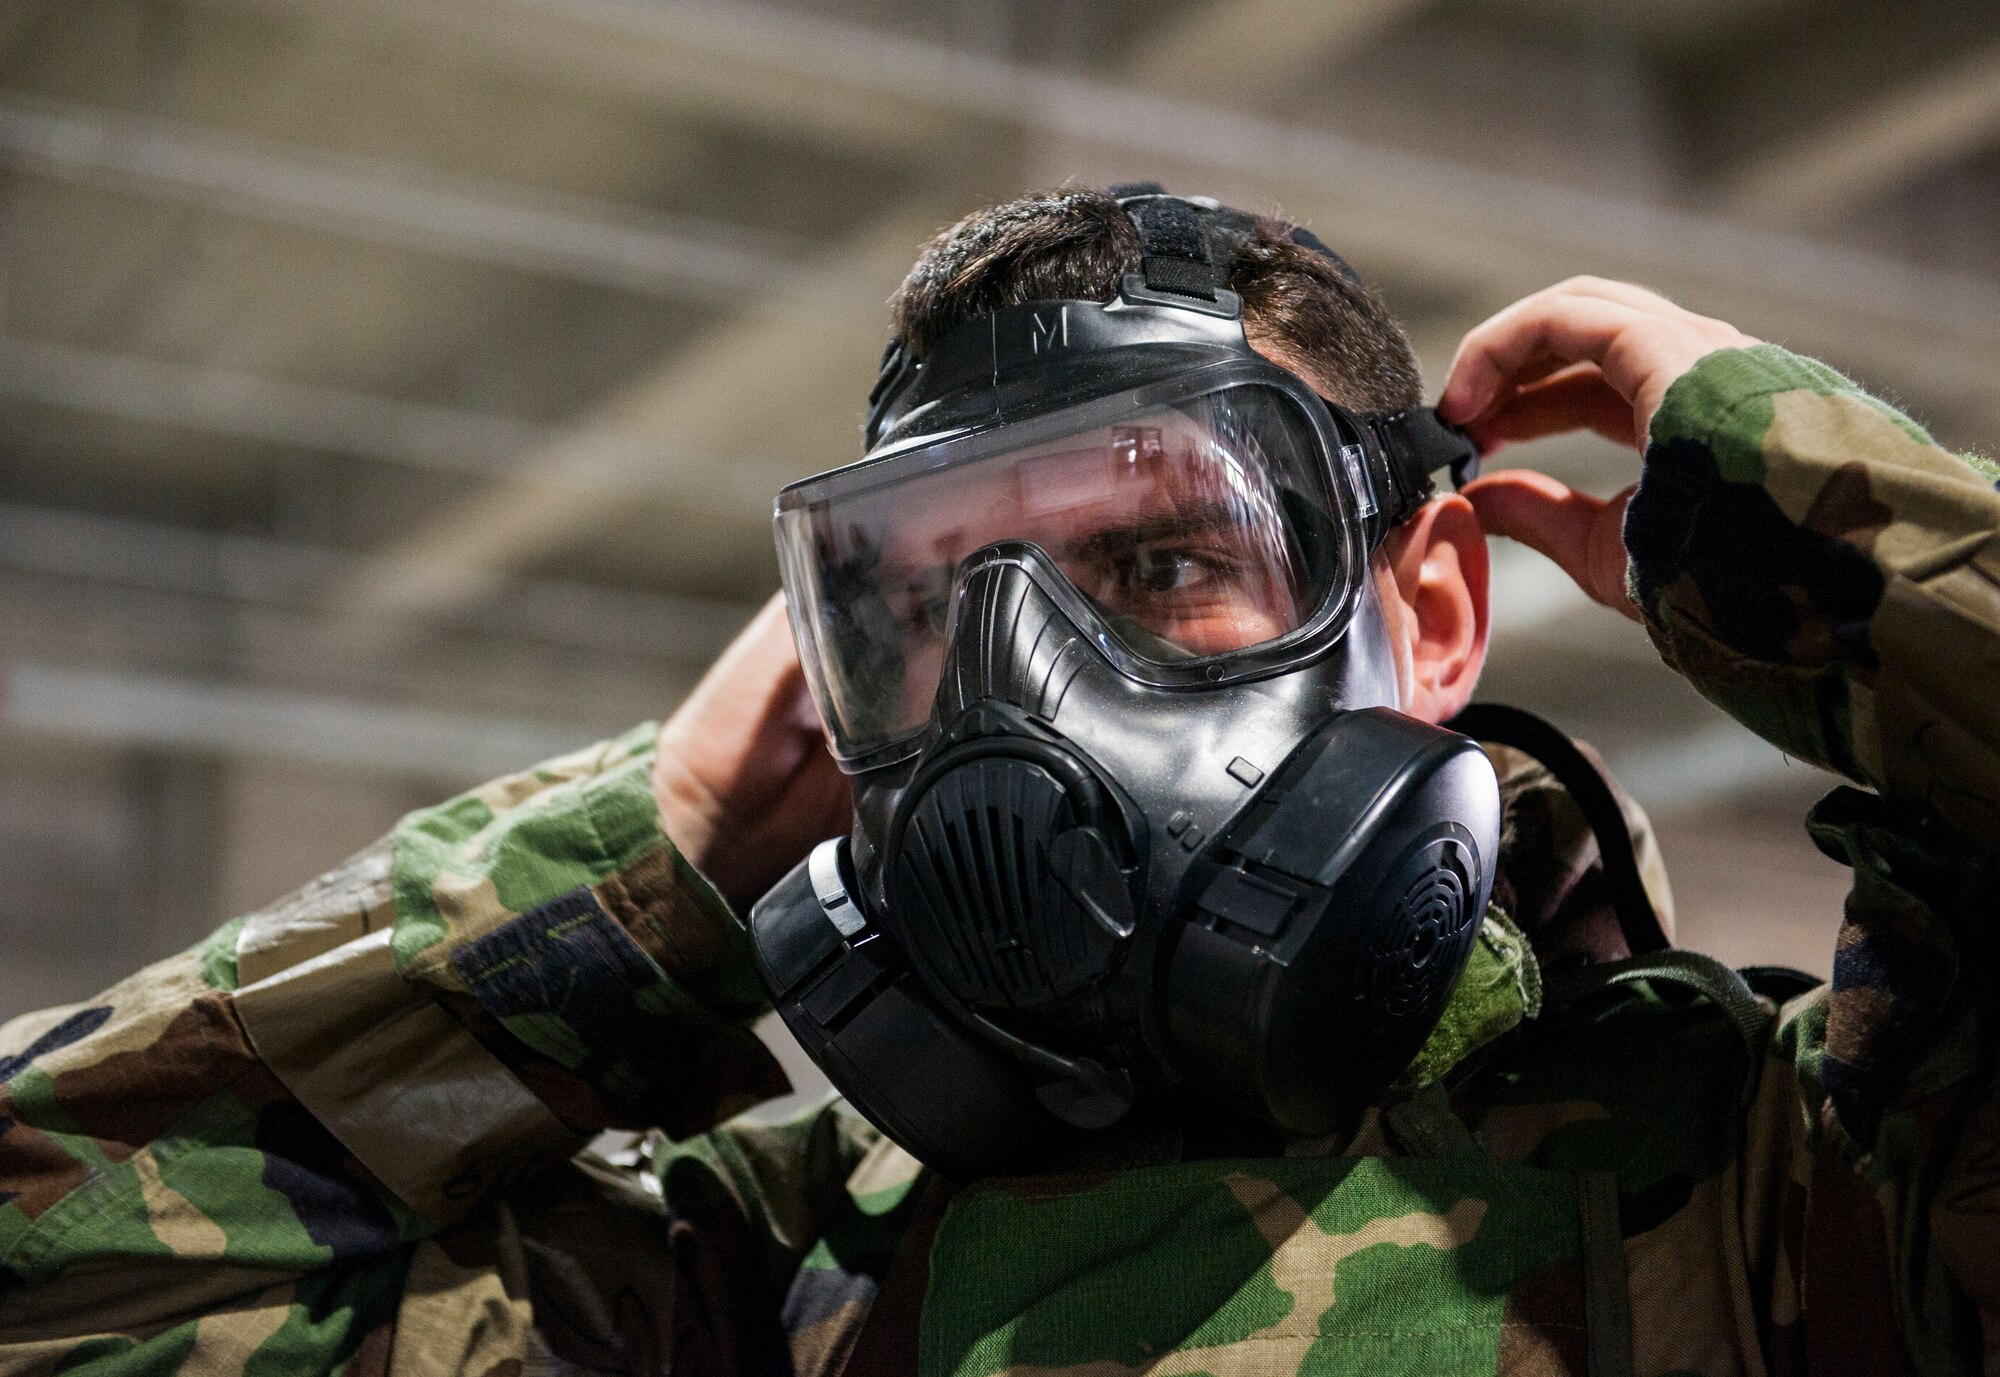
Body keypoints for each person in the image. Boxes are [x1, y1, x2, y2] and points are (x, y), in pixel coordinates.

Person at [1, 185, 1996, 1376]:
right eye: (937, 604)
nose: (1030, 687)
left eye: (1160, 561)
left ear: (1435, 610)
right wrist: (651, 871)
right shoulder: (759, 1286)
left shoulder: (1790, 1179)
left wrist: (1836, 535)